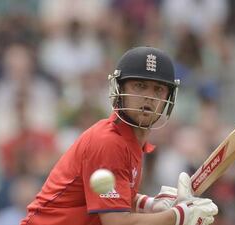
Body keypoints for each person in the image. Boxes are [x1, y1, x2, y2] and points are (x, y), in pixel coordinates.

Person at [20, 46, 218, 225]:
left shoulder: (130, 141)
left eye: (158, 89)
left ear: (169, 98)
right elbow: (117, 222)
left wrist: (148, 204)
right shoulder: (108, 142)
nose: (149, 97)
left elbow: (107, 199)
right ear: (119, 89)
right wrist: (178, 216)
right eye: (139, 86)